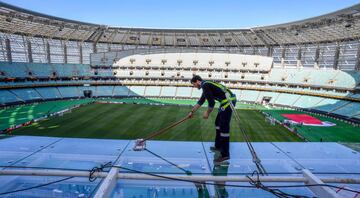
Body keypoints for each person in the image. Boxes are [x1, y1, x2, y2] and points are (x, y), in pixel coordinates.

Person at [188, 75, 236, 163]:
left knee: (224, 129)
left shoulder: (205, 85)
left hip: (228, 103)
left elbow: (212, 103)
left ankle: (225, 155)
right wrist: (192, 111)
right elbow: (201, 101)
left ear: (198, 81)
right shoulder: (206, 85)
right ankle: (218, 146)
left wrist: (207, 113)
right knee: (217, 123)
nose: (194, 87)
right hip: (225, 103)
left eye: (194, 84)